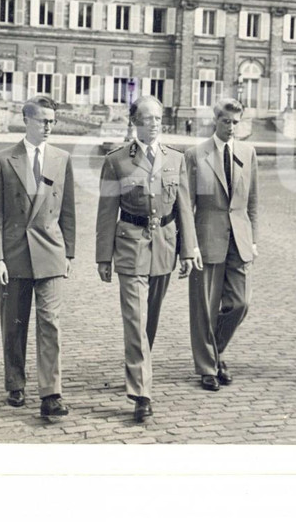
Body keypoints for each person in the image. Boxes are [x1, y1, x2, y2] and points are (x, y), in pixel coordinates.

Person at [95, 95, 198, 423]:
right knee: (136, 320)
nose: (153, 124)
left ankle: (141, 368)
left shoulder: (175, 159)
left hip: (164, 246)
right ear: (134, 121)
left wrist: (188, 250)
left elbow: (183, 208)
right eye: (147, 118)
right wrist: (103, 257)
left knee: (149, 319)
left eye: (157, 118)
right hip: (130, 246)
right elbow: (106, 212)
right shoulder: (117, 161)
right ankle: (141, 393)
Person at [0, 95, 75, 420]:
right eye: (42, 121)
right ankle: (15, 382)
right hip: (15, 253)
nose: (48, 126)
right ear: (26, 120)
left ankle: (51, 393)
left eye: (52, 121)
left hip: (50, 251)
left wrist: (69, 253)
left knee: (50, 322)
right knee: (15, 323)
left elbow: (68, 211)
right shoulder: (3, 161)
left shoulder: (61, 159)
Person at [184, 98, 259, 391]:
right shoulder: (195, 155)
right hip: (207, 239)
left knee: (240, 303)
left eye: (235, 122)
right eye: (226, 121)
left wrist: (253, 240)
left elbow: (253, 203)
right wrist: (190, 246)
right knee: (204, 308)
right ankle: (207, 368)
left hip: (239, 239)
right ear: (215, 121)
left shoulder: (248, 153)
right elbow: (186, 206)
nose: (231, 127)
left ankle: (214, 354)